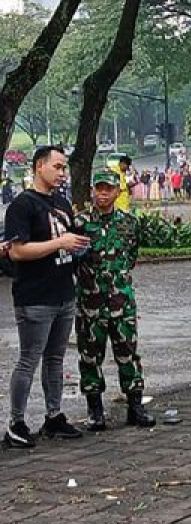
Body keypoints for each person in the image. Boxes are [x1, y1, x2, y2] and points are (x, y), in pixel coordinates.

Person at [2, 145, 89, 448]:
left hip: (64, 293)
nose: (62, 173)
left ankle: (54, 416)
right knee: (29, 359)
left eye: (64, 167)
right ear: (39, 166)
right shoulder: (23, 205)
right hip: (34, 297)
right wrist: (59, 242)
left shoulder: (62, 203)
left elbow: (71, 242)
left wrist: (77, 244)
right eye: (57, 166)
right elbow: (17, 251)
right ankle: (16, 422)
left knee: (56, 358)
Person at [74, 170, 154, 430]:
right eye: (99, 188)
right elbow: (74, 260)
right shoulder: (80, 223)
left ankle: (135, 406)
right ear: (92, 191)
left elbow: (130, 258)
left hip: (121, 302)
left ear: (118, 192)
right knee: (89, 356)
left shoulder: (129, 223)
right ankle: (95, 410)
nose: (103, 193)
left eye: (108, 189)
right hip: (90, 303)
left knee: (128, 355)